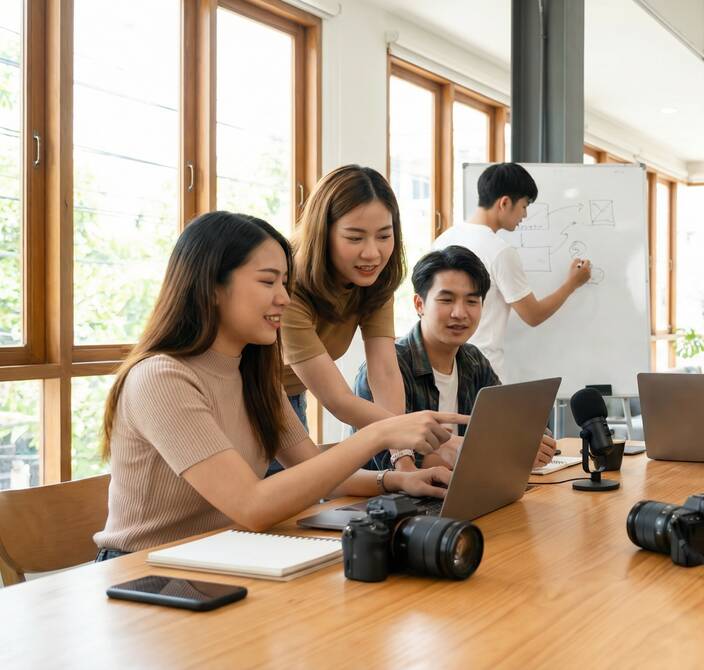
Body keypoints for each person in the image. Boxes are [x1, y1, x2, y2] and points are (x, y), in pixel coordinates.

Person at [93, 211, 464, 558]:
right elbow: (252, 506)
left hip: (220, 556)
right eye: (268, 281)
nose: (284, 298)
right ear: (212, 287)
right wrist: (380, 433)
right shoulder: (162, 378)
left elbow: (318, 473)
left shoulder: (254, 377)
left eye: (285, 283)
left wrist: (397, 481)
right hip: (141, 569)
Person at [354, 246, 556, 472]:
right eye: (447, 300)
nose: (459, 313)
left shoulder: (474, 361)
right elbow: (385, 460)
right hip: (394, 494)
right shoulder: (387, 367)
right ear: (419, 304)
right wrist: (496, 453)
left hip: (469, 486)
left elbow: (507, 421)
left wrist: (530, 441)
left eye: (471, 301)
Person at [432, 163, 591, 381]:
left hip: (443, 367)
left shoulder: (442, 240)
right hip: (484, 371)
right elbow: (533, 315)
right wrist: (572, 283)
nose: (524, 215)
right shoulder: (499, 251)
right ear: (505, 203)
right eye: (524, 206)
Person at [281, 165, 407, 434]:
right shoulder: (287, 285)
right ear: (322, 233)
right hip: (234, 395)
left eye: (384, 236)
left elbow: (384, 371)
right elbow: (337, 399)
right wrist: (408, 432)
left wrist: (401, 451)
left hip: (289, 394)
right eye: (355, 238)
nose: (372, 253)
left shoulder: (374, 280)